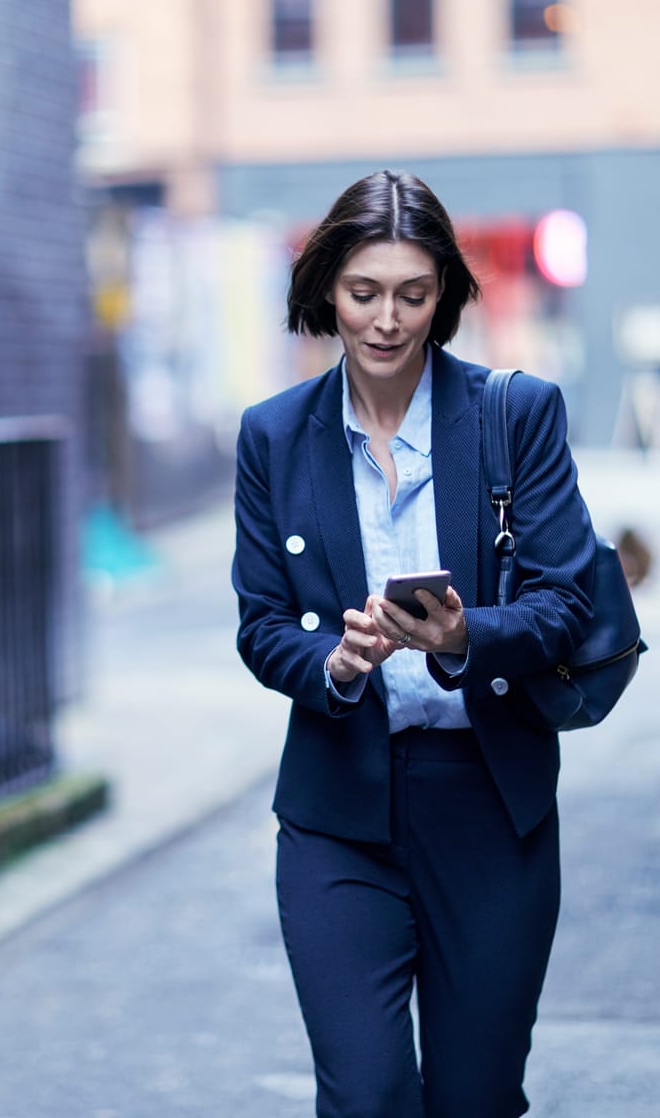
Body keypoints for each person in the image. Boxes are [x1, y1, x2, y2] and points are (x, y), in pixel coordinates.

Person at [231, 170, 598, 1117]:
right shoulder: (273, 437)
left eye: (412, 293)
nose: (387, 319)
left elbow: (567, 605)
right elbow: (261, 624)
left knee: (475, 1100)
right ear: (325, 293)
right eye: (364, 293)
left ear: (444, 298)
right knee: (367, 1097)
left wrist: (468, 633)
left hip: (487, 801)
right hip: (336, 809)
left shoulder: (516, 416)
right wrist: (334, 664)